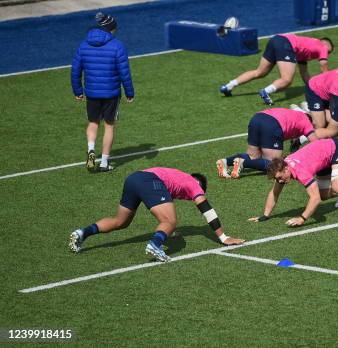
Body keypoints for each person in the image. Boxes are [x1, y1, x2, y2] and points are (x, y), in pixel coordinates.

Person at [69, 167, 245, 262]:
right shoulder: (194, 184)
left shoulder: (179, 178)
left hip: (134, 178)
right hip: (149, 181)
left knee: (120, 221)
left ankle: (82, 233)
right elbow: (206, 209)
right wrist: (223, 237)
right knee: (170, 220)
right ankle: (154, 245)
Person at [248, 138, 338, 227]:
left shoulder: (300, 171)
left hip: (336, 148)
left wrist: (302, 218)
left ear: (286, 169)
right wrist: (265, 215)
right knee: (323, 194)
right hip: (323, 159)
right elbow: (274, 193)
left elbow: (315, 199)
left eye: (280, 177)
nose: (280, 181)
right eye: (277, 179)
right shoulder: (283, 171)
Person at [71, 12, 135, 172]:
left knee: (93, 123)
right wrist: (129, 92)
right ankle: (104, 162)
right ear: (110, 29)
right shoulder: (117, 46)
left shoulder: (83, 45)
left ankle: (91, 150)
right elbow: (124, 72)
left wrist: (77, 90)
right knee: (109, 126)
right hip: (111, 93)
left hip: (92, 93)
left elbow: (75, 70)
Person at [219, 34, 334, 105]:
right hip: (286, 44)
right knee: (287, 79)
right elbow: (323, 64)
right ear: (325, 44)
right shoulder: (322, 46)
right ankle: (265, 92)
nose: (327, 54)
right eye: (329, 52)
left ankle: (228, 86)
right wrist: (328, 83)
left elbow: (304, 73)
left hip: (276, 40)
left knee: (260, 72)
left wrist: (313, 89)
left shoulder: (306, 50)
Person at [216, 107, 318, 179]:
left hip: (257, 118)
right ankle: (243, 163)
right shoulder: (307, 122)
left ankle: (225, 162)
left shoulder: (295, 115)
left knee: (253, 156)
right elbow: (316, 143)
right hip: (272, 124)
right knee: (274, 164)